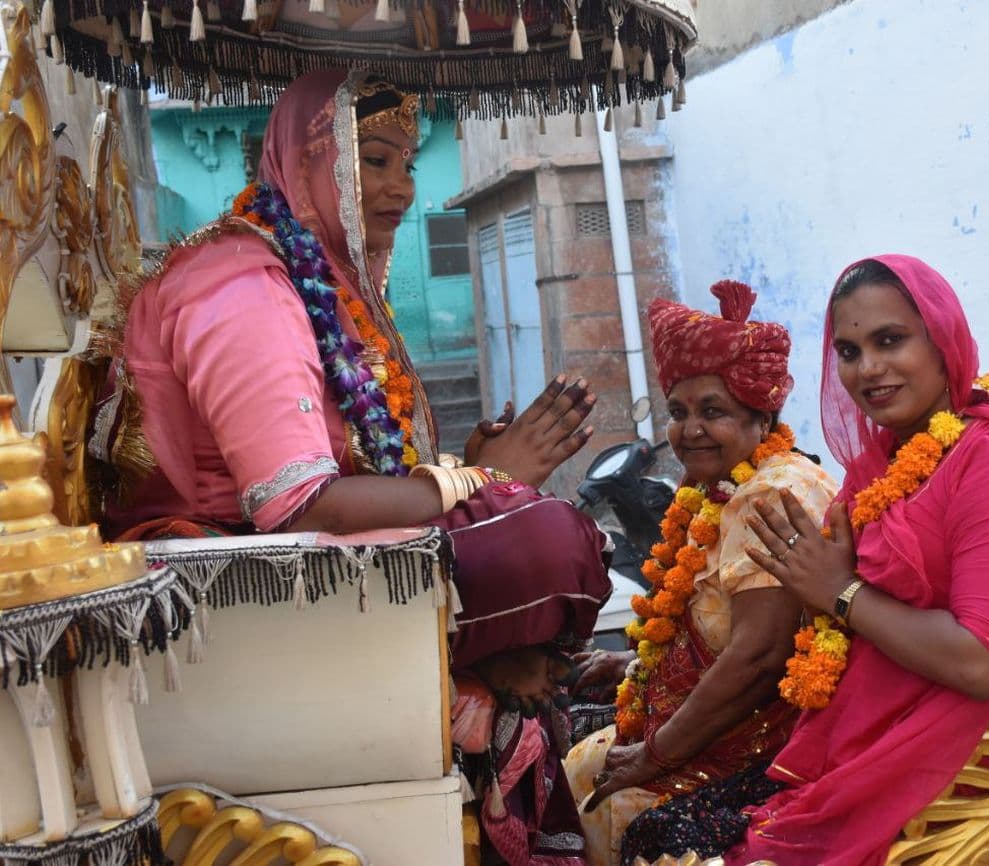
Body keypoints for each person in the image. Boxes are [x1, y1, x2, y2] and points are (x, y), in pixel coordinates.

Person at [90, 69, 606, 865]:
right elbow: (293, 505)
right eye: (375, 160)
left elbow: (356, 458)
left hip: (302, 559)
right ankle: (501, 661)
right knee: (543, 538)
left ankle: (504, 666)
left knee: (543, 532)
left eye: (409, 161)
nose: (402, 187)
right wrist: (479, 482)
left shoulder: (317, 268)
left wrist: (470, 475)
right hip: (230, 577)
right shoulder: (239, 282)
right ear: (308, 160)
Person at [711, 254, 989, 865]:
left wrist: (840, 593)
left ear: (943, 340)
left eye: (890, 340)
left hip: (965, 763)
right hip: (867, 744)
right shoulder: (883, 462)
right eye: (849, 351)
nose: (868, 369)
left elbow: (984, 661)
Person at [562, 280, 838, 866]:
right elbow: (708, 619)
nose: (690, 430)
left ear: (762, 416)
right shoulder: (722, 485)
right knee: (578, 763)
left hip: (763, 748)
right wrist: (637, 666)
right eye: (679, 413)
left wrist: (656, 755)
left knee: (611, 799)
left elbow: (758, 659)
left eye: (714, 411)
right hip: (706, 724)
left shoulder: (771, 493)